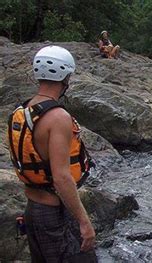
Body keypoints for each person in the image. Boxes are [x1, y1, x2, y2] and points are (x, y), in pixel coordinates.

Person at [7, 46, 97, 262]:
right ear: (65, 77)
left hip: (34, 209)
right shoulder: (58, 117)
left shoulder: (24, 110)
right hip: (52, 215)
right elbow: (61, 177)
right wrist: (84, 222)